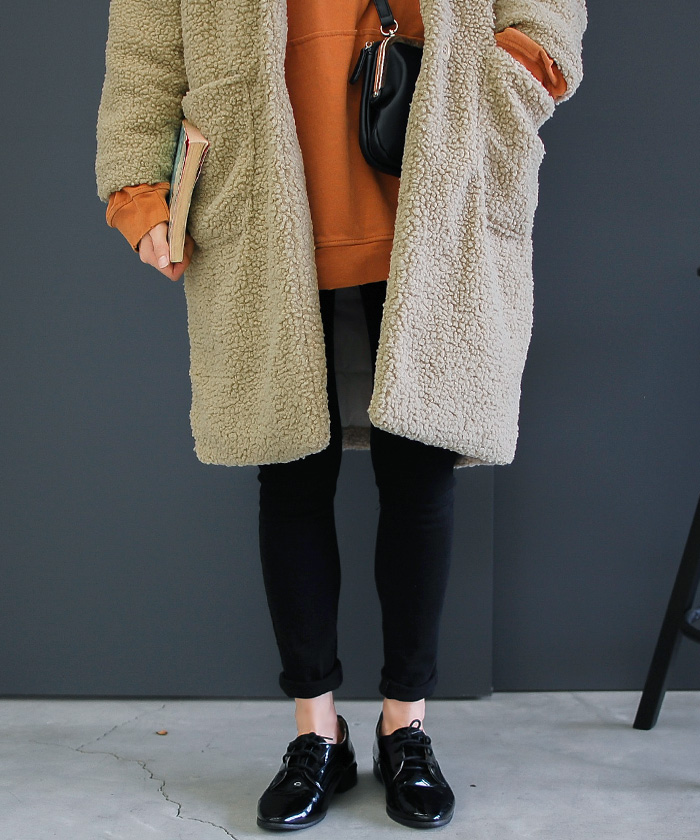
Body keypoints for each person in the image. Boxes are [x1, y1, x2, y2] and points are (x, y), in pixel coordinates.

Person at [96, 0, 587, 830]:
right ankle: (316, 732)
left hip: (436, 187)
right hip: (264, 194)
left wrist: (510, 76)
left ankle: (406, 728)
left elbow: (546, 13)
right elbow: (146, 42)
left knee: (421, 471)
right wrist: (140, 190)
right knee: (289, 469)